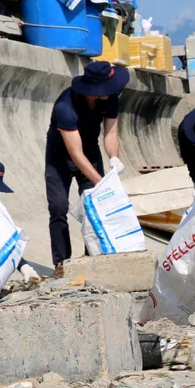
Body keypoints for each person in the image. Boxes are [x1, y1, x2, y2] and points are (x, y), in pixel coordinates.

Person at [45, 61, 129, 276]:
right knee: (58, 208)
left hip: (90, 153)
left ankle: (92, 259)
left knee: (95, 207)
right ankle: (61, 264)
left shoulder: (109, 99)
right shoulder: (65, 107)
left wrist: (114, 158)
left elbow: (110, 133)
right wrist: (101, 183)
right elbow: (75, 153)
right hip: (60, 158)